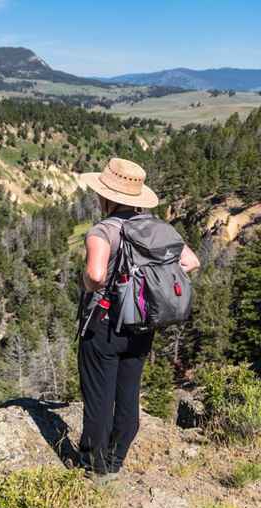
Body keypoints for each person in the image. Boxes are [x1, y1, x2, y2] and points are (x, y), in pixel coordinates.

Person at [77, 158, 200, 483]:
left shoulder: (103, 230)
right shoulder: (158, 229)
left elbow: (96, 273)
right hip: (142, 325)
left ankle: (94, 466)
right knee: (128, 393)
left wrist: (90, 285)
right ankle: (116, 461)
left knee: (100, 395)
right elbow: (190, 261)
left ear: (107, 195)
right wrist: (148, 283)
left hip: (105, 324)